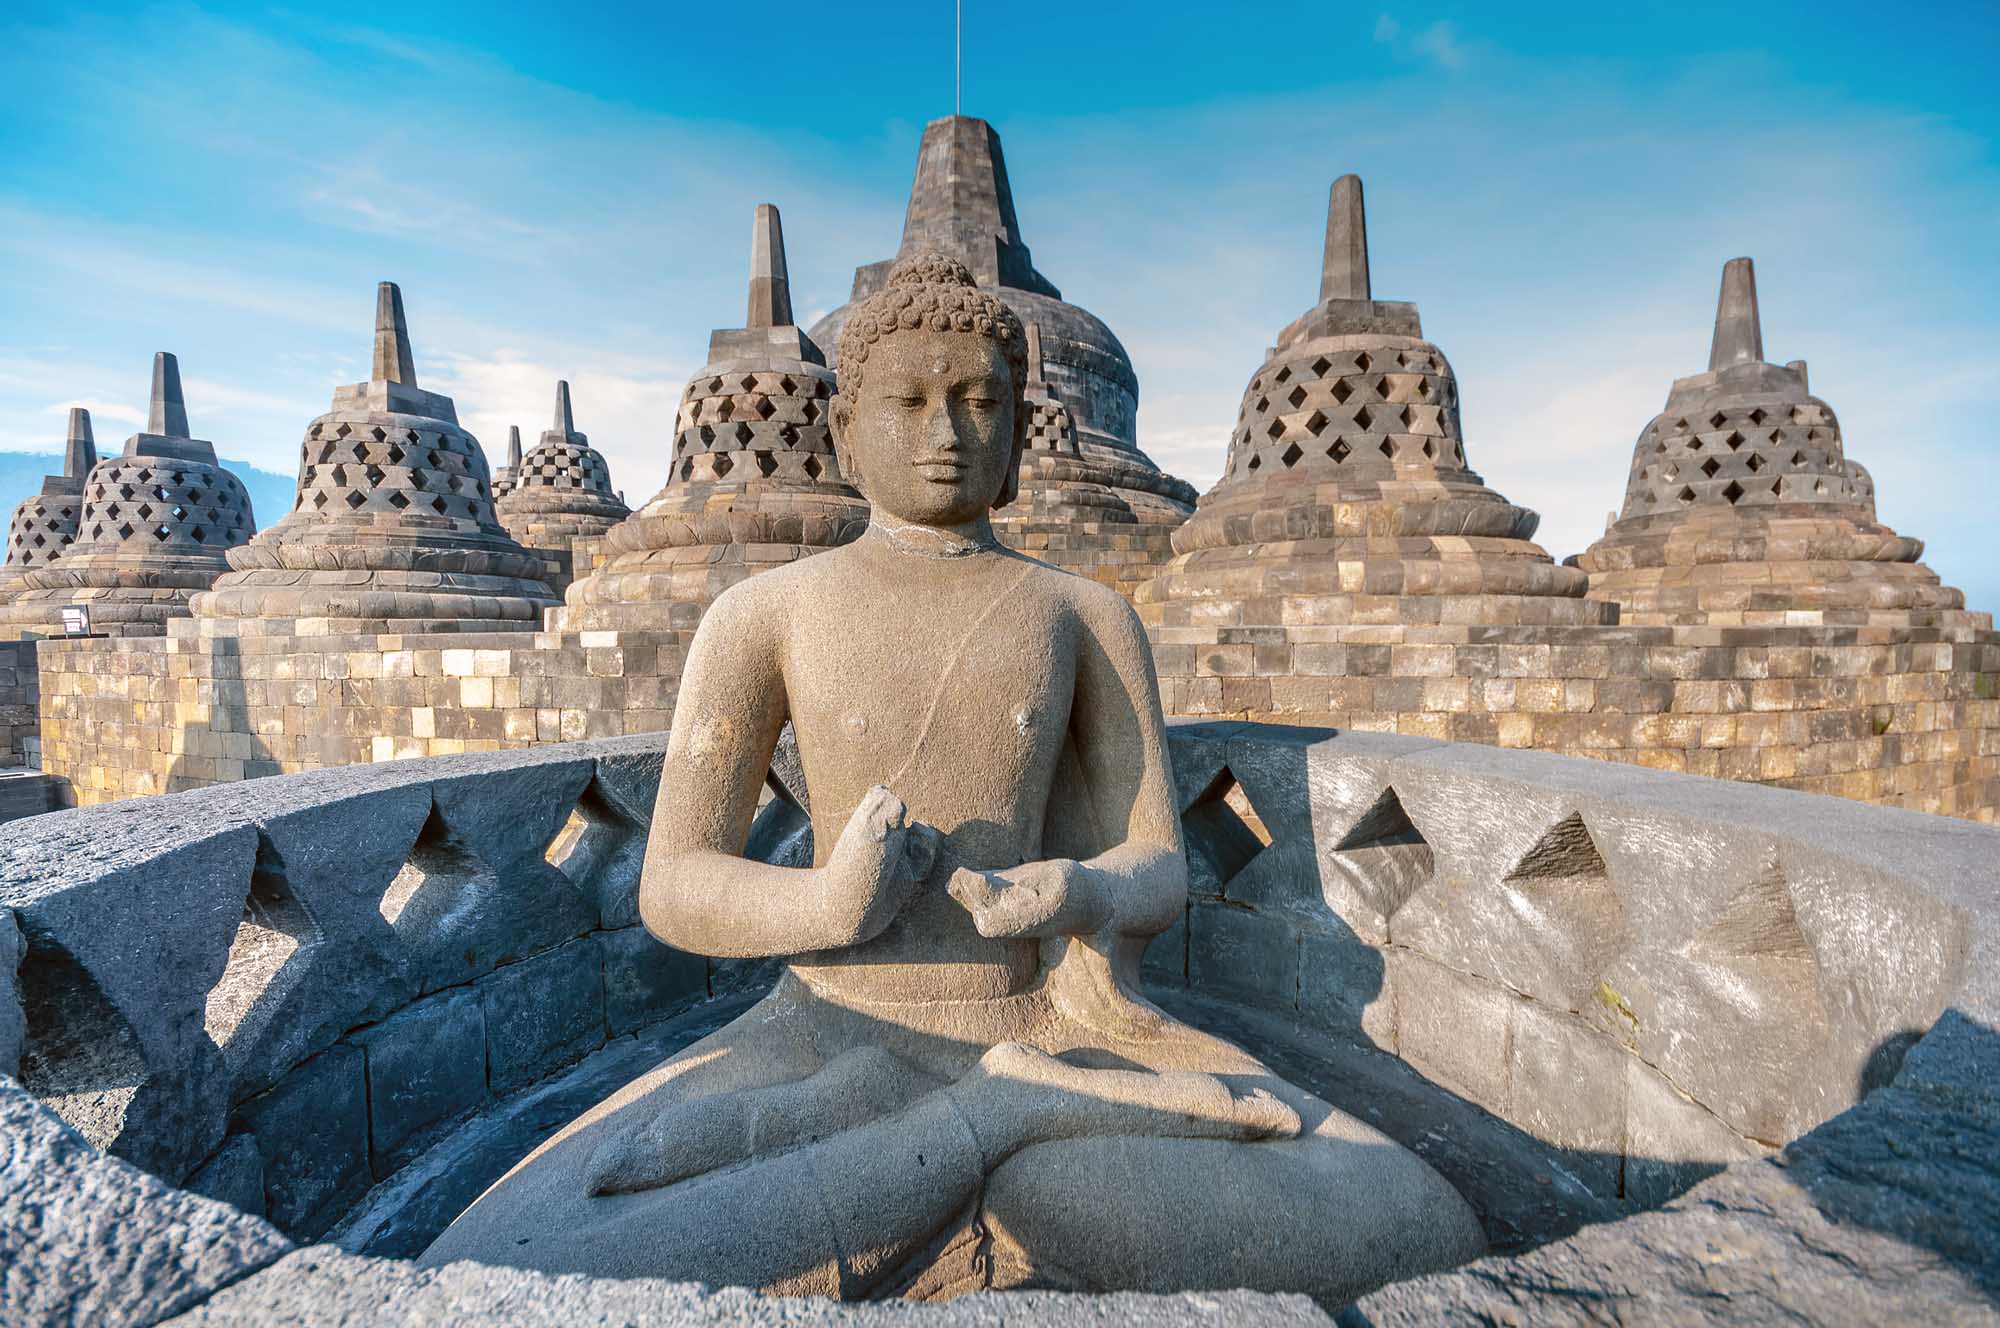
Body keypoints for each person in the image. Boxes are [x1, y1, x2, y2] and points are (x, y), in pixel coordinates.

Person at [421, 253, 1484, 1301]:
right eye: (910, 400)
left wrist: (1088, 889)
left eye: (979, 401)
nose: (945, 433)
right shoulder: (763, 615)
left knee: (1406, 1209)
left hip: (1045, 1021)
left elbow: (1157, 860)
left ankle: (977, 1145)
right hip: (822, 1030)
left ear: (1017, 430)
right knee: (502, 1258)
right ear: (843, 430)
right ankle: (990, 1125)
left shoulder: (1083, 614)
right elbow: (676, 882)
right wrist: (825, 899)